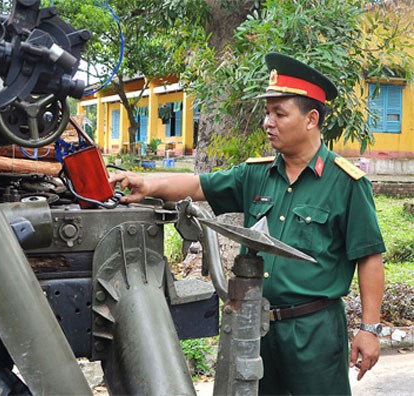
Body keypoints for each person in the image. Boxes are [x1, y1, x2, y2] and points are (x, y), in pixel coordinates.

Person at [109, 52, 385, 395]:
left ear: (311, 118)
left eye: (279, 114)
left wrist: (370, 329)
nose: (268, 122)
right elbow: (198, 186)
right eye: (267, 113)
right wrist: (147, 184)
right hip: (256, 327)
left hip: (314, 332)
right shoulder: (255, 174)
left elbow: (369, 257)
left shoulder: (346, 183)